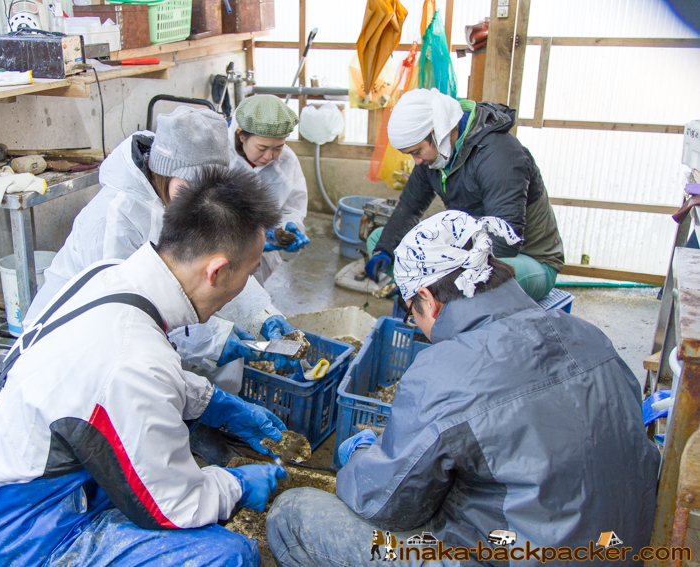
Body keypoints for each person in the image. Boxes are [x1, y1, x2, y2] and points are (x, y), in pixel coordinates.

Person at [268, 210, 659, 567]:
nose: (416, 324)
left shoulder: (445, 371)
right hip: (619, 551)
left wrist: (363, 456)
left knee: (293, 513)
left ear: (427, 298)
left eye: (411, 312)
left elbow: (383, 504)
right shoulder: (591, 336)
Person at [0, 166, 288, 567]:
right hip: (31, 528)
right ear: (217, 271)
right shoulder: (132, 358)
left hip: (50, 472)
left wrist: (217, 404)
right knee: (228, 555)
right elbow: (174, 507)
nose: (245, 288)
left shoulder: (110, 277)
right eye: (249, 273)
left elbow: (143, 377)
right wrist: (236, 485)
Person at [23, 106, 298, 394]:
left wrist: (259, 314)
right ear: (166, 173)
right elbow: (121, 324)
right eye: (192, 187)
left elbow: (226, 265)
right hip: (72, 355)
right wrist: (212, 340)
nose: (201, 200)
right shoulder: (116, 220)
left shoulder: (190, 200)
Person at [364, 88, 565, 301]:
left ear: (436, 132)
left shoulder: (499, 154)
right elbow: (409, 208)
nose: (417, 161)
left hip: (522, 258)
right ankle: (419, 299)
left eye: (417, 152)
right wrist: (384, 250)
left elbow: (504, 242)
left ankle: (428, 298)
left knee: (476, 281)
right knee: (381, 240)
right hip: (469, 246)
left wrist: (436, 275)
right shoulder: (438, 154)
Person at [229, 95, 310, 282]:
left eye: (278, 147)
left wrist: (289, 227)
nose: (269, 156)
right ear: (241, 135)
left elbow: (293, 206)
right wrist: (246, 242)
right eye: (262, 148)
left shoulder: (287, 161)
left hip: (260, 260)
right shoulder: (220, 156)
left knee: (253, 294)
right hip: (220, 254)